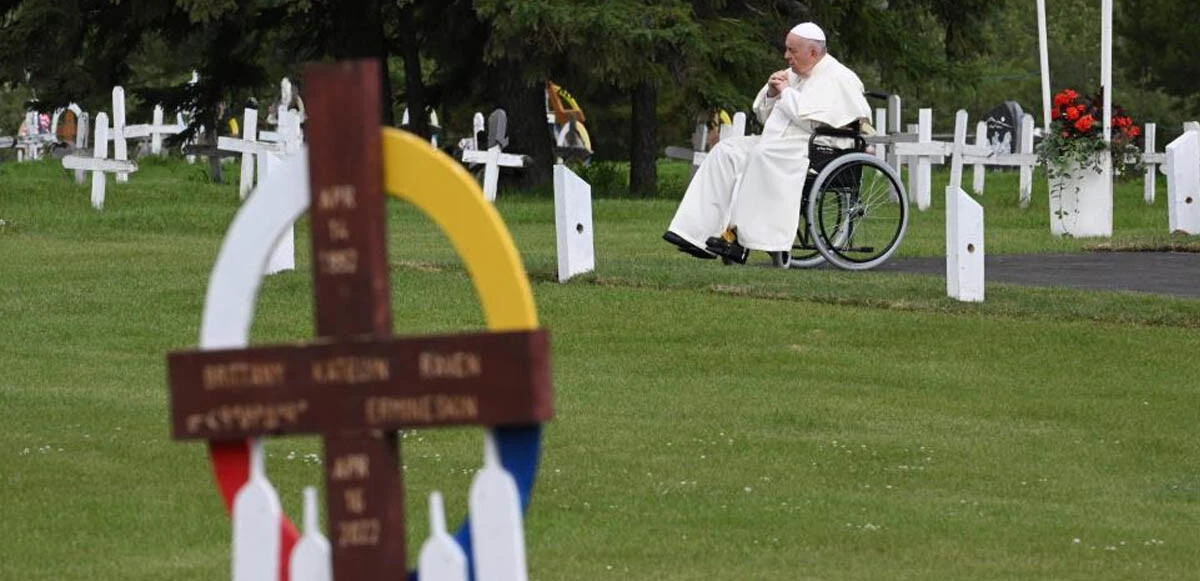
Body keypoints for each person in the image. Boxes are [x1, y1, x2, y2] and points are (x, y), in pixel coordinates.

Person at [663, 22, 872, 267]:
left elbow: (812, 121)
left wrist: (785, 93)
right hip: (782, 142)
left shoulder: (839, 77)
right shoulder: (793, 74)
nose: (786, 56)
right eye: (787, 49)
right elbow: (766, 117)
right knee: (726, 151)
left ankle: (738, 240)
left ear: (813, 53)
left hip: (820, 147)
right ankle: (694, 233)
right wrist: (772, 94)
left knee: (762, 155)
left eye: (792, 51)